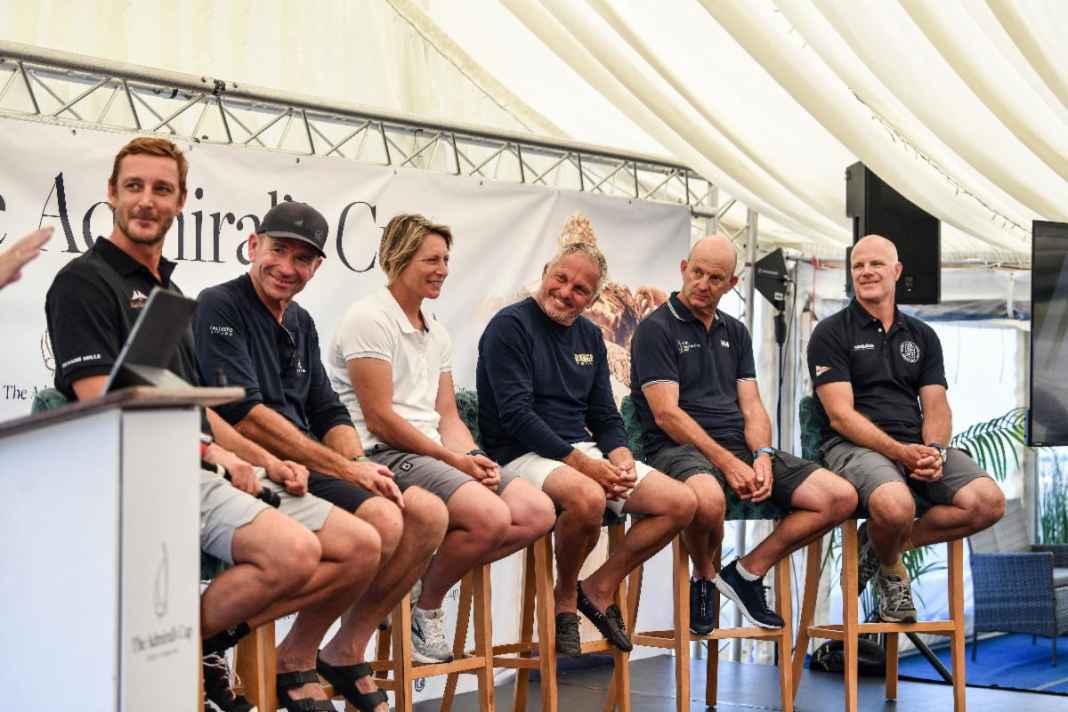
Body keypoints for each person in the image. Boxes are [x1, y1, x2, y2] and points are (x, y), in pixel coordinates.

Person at [44, 137, 381, 712]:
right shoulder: (83, 281)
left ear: (180, 204)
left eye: (162, 189)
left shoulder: (168, 292)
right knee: (294, 555)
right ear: (111, 194)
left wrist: (263, 461)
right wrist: (217, 455)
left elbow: (193, 406)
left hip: (194, 465)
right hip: (134, 475)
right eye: (134, 187)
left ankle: (190, 642)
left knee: (360, 545)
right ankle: (165, 649)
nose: (147, 201)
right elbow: (103, 403)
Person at [194, 204, 450, 707]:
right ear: (253, 246)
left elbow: (327, 409)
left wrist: (358, 463)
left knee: (419, 515)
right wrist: (344, 467)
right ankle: (219, 639)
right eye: (279, 251)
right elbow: (245, 415)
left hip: (302, 464)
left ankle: (313, 653)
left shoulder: (302, 321)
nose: (288, 267)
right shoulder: (217, 305)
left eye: (303, 259)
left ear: (317, 268)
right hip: (253, 464)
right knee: (379, 527)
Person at [324, 213, 555, 662]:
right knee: (490, 517)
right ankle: (425, 608)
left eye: (446, 259)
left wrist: (470, 454)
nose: (443, 270)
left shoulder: (438, 331)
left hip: (432, 453)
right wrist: (454, 462)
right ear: (399, 258)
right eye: (432, 259)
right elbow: (381, 420)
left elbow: (447, 416)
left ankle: (412, 579)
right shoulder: (368, 318)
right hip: (383, 453)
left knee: (535, 511)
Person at [477, 231, 697, 656]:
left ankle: (597, 587)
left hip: (579, 453)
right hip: (519, 454)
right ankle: (563, 601)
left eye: (580, 289)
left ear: (592, 299)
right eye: (560, 279)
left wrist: (621, 459)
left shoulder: (590, 338)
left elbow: (605, 416)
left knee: (681, 503)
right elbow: (517, 417)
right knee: (588, 497)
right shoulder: (509, 326)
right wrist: (587, 466)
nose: (565, 293)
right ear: (544, 273)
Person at [630, 235, 857, 632]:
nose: (703, 283)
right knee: (708, 500)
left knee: (839, 496)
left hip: (738, 447)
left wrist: (763, 455)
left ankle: (747, 573)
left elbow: (752, 405)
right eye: (697, 272)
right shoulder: (656, 329)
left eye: (715, 278)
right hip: (676, 448)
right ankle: (704, 578)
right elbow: (667, 415)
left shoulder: (735, 332)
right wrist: (729, 463)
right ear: (683, 269)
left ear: (731, 284)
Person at [808, 234, 1005, 622]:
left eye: (876, 264)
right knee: (897, 507)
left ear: (896, 271)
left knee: (988, 502)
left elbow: (936, 404)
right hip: (852, 448)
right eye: (858, 266)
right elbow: (840, 416)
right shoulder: (831, 332)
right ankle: (891, 562)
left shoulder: (922, 336)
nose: (866, 272)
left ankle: (882, 547)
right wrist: (901, 453)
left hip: (915, 446)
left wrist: (934, 450)